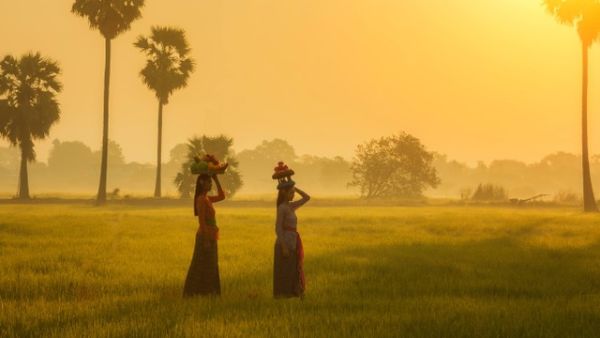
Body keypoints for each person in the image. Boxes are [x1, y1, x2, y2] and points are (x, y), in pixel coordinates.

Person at [183, 174, 225, 297]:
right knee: (201, 264)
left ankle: (209, 292)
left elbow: (222, 196)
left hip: (211, 235)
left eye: (211, 182)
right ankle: (195, 293)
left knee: (211, 264)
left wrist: (216, 179)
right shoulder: (201, 199)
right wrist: (206, 240)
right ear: (202, 183)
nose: (210, 184)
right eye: (209, 182)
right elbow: (201, 221)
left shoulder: (207, 198)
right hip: (204, 236)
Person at [273, 183, 310, 298]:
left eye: (293, 192)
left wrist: (293, 185)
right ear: (284, 193)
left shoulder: (291, 206)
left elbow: (306, 198)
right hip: (284, 243)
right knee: (284, 271)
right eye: (291, 193)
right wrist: (283, 246)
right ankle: (283, 296)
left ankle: (294, 293)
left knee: (293, 269)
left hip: (293, 242)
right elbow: (278, 228)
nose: (293, 195)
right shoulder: (282, 208)